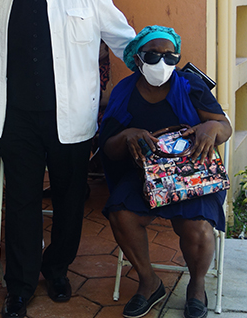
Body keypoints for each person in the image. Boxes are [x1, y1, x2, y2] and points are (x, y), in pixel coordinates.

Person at [0, 0, 136, 317]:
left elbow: (125, 40)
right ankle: (20, 286)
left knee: (68, 200)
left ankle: (57, 267)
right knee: (21, 203)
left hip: (71, 120)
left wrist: (161, 68)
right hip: (16, 121)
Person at [99, 26, 231, 318]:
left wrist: (211, 127)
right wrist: (127, 135)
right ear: (137, 57)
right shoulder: (124, 93)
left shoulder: (190, 86)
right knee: (121, 213)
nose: (163, 63)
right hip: (146, 175)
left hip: (191, 173)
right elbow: (108, 147)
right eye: (153, 55)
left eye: (171, 57)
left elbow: (224, 126)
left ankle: (196, 286)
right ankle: (149, 282)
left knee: (195, 224)